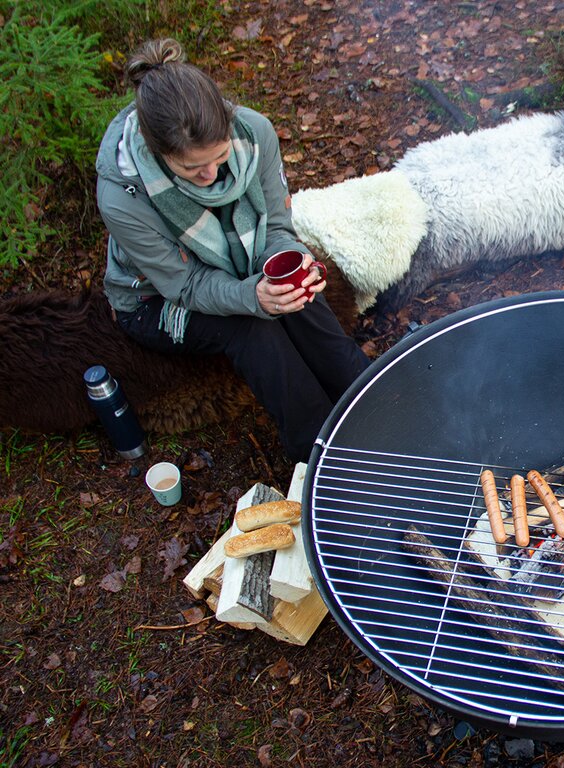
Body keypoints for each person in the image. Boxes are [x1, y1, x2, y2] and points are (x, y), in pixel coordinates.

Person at [95, 39, 368, 461]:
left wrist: (290, 268)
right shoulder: (123, 196)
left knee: (296, 290)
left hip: (237, 266)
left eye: (219, 157)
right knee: (249, 327)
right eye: (191, 168)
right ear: (157, 152)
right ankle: (316, 449)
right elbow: (184, 285)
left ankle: (368, 392)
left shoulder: (253, 133)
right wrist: (252, 297)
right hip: (155, 300)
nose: (210, 173)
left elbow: (276, 227)